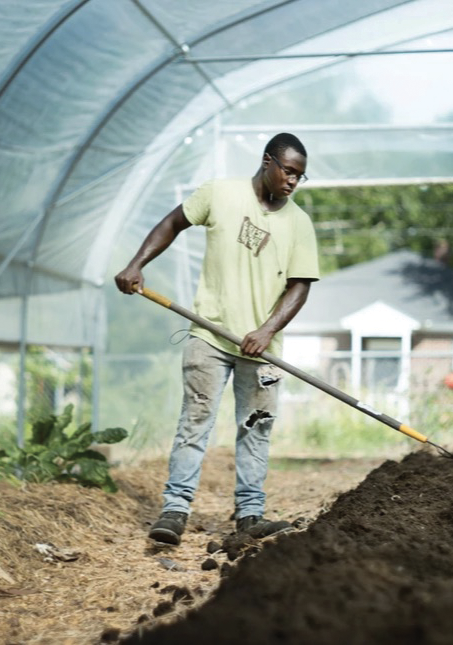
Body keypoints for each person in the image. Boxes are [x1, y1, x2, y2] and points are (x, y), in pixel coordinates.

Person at [114, 133, 319, 545]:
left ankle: (250, 515)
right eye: (289, 171)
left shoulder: (299, 223)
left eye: (300, 176)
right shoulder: (219, 194)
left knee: (256, 428)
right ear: (268, 162)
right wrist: (136, 264)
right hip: (209, 335)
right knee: (194, 422)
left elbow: (300, 285)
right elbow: (173, 223)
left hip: (262, 352)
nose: (294, 181)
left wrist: (266, 330)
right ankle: (175, 509)